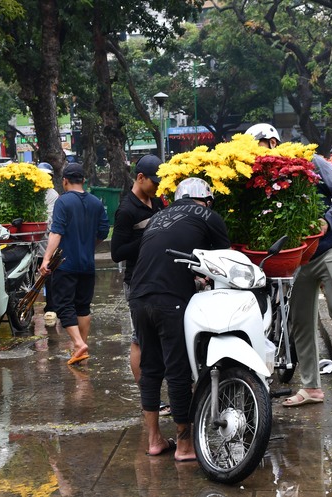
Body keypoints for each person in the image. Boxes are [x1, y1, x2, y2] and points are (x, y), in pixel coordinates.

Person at [244, 123, 332, 407]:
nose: (256, 154)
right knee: (300, 321)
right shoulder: (262, 175)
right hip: (296, 258)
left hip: (331, 248)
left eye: (258, 147)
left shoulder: (310, 162)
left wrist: (327, 220)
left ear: (273, 142)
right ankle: (311, 387)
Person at [128, 177, 230, 461]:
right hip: (168, 298)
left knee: (150, 369)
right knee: (178, 369)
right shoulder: (209, 216)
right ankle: (185, 446)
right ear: (206, 200)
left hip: (138, 296)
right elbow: (224, 261)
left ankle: (154, 441)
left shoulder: (159, 217)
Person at [40, 163, 110, 365]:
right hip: (87, 264)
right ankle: (81, 347)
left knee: (63, 306)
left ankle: (78, 344)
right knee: (83, 306)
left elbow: (56, 232)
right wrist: (88, 246)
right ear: (84, 181)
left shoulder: (63, 202)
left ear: (64, 181)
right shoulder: (96, 202)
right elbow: (103, 232)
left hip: (65, 264)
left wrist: (46, 259)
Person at [110, 155, 165, 384]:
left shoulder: (158, 202)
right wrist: (148, 238)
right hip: (137, 281)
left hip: (159, 278)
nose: (158, 187)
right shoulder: (126, 210)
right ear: (140, 178)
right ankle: (147, 397)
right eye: (154, 182)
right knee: (139, 339)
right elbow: (117, 252)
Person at [36, 162, 60, 327]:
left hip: (46, 242)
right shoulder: (30, 193)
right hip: (30, 241)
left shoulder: (52, 195)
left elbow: (50, 220)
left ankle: (51, 306)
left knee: (49, 275)